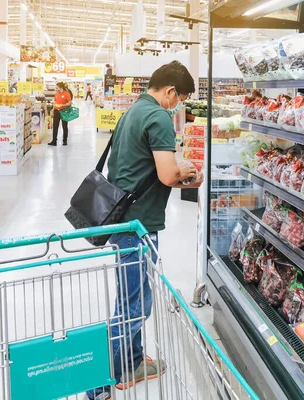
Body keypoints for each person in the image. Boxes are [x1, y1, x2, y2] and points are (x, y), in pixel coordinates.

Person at [86, 61, 201, 400]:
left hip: (124, 218)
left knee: (133, 297)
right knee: (133, 306)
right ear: (169, 92)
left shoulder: (134, 111)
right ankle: (101, 383)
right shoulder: (159, 117)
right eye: (179, 98)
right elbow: (167, 174)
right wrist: (189, 170)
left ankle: (132, 362)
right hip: (138, 226)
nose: (178, 105)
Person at [49, 82, 72, 146]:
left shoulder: (66, 94)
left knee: (64, 126)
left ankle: (64, 140)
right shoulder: (56, 94)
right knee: (55, 126)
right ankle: (54, 141)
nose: (56, 89)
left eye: (57, 88)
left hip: (64, 111)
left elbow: (70, 102)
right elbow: (55, 102)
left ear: (61, 88)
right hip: (57, 111)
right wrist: (53, 110)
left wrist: (64, 104)